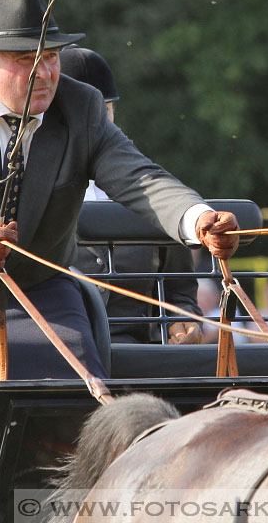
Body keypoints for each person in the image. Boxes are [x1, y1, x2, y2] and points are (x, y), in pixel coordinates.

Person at [0, 0, 240, 515]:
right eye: (25, 61)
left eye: (53, 58)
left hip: (40, 285)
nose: (44, 73)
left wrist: (198, 220)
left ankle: (66, 503)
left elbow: (139, 177)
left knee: (77, 372)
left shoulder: (81, 108)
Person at [62, 45, 202, 345]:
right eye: (84, 113)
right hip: (55, 350)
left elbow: (179, 291)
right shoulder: (24, 184)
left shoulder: (151, 189)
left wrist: (182, 322)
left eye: (105, 111)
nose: (97, 124)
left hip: (136, 351)